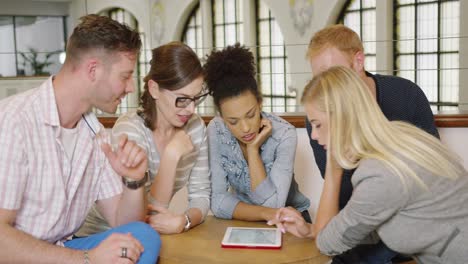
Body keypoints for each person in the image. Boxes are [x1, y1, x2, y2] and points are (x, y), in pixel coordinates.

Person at [0, 15, 160, 263]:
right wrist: (87, 258)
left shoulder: (96, 134)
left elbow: (124, 223)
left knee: (142, 236)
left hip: (62, 249)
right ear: (93, 70)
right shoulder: (14, 122)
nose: (130, 87)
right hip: (17, 254)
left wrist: (134, 180)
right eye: (125, 76)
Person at [270, 66, 468, 264]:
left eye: (317, 124)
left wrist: (333, 168)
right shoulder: (402, 136)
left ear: (342, 119)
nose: (313, 135)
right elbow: (370, 223)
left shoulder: (379, 173)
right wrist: (311, 230)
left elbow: (328, 245)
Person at [305, 25, 439, 263]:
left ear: (358, 61)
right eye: (319, 79)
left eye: (333, 74)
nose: (325, 88)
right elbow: (344, 194)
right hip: (359, 230)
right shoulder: (320, 120)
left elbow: (431, 176)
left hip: (411, 227)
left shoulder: (406, 95)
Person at [77, 41, 211, 236]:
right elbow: (141, 216)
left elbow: (201, 194)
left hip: (146, 236)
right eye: (182, 99)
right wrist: (171, 157)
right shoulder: (130, 130)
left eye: (196, 98)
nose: (191, 109)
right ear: (154, 89)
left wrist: (185, 220)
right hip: (101, 234)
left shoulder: (195, 127)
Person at [205, 43, 311, 223]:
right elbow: (218, 202)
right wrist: (263, 213)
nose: (245, 128)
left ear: (260, 102)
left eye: (250, 115)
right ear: (221, 116)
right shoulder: (216, 130)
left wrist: (253, 150)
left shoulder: (284, 134)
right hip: (243, 218)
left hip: (289, 220)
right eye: (233, 121)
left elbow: (274, 205)